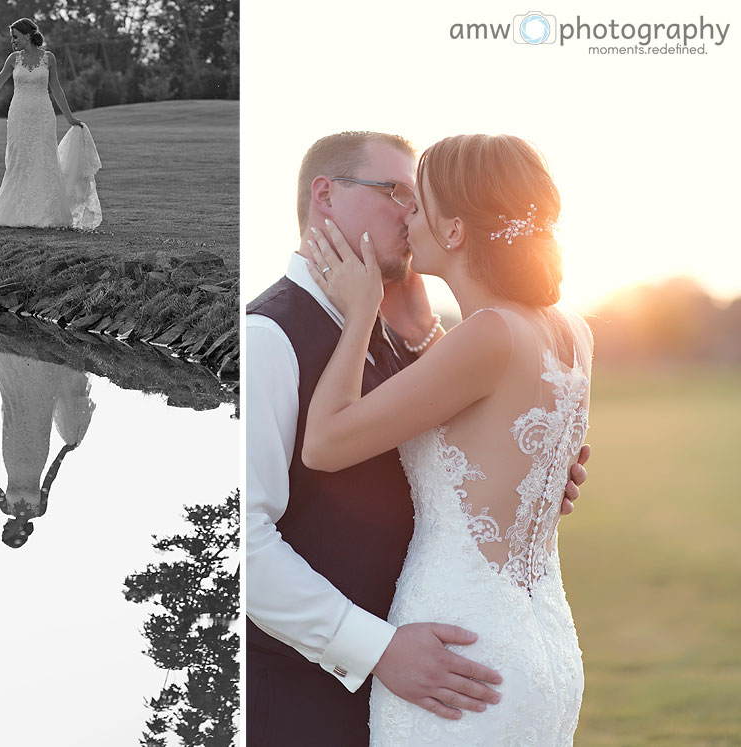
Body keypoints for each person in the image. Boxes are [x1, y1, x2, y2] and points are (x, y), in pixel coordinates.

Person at [246, 131, 590, 746]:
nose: (409, 215)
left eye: (417, 199)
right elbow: (242, 546)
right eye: (394, 193)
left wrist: (531, 474)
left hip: (448, 669)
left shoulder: (402, 331)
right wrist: (375, 649)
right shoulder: (268, 338)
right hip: (308, 700)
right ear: (325, 196)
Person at [0, 18, 103, 229]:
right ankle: (16, 212)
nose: (12, 41)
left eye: (15, 37)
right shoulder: (13, 59)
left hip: (43, 115)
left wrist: (70, 117)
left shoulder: (48, 58)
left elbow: (57, 89)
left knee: (44, 158)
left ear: (27, 35)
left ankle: (46, 212)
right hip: (19, 115)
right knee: (20, 159)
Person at [0, 353, 96, 548]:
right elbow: (50, 479)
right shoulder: (39, 510)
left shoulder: (5, 507)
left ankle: (23, 373)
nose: (4, 528)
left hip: (12, 456)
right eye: (6, 532)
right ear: (18, 533)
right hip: (36, 457)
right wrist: (62, 453)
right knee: (39, 421)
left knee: (15, 416)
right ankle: (41, 374)